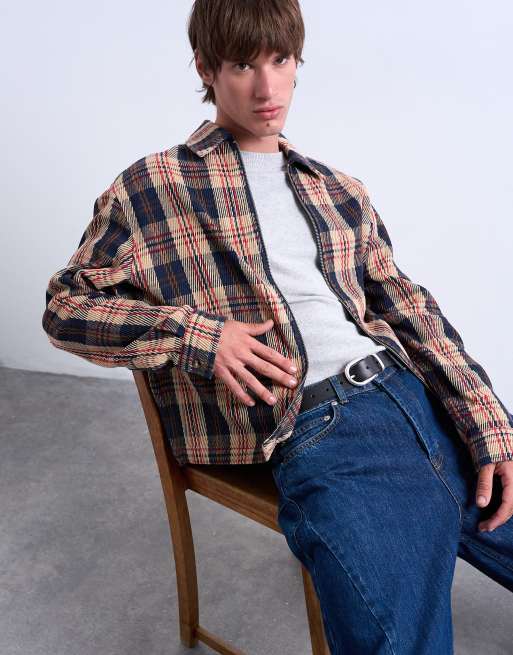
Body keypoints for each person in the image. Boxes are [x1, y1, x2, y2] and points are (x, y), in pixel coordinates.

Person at [42, 0, 513, 652]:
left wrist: (485, 419)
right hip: (326, 428)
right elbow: (66, 306)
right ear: (206, 69)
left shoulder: (337, 189)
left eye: (280, 60)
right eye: (242, 65)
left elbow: (410, 309)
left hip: (421, 400)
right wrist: (199, 336)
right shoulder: (154, 186)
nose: (268, 88)